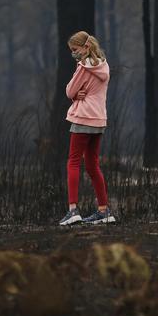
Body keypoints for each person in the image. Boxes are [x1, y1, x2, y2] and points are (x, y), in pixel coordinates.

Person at [59, 31, 116, 226]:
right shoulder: (104, 65)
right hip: (99, 119)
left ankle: (73, 209)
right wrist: (80, 93)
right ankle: (104, 210)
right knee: (92, 165)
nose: (74, 54)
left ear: (86, 47)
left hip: (82, 118)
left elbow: (69, 91)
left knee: (73, 162)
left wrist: (77, 95)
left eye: (75, 50)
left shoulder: (83, 67)